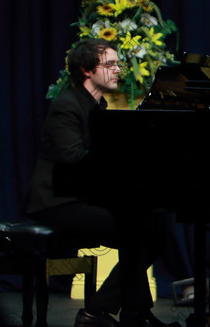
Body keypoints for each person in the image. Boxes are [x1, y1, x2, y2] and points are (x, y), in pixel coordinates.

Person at [24, 38, 178, 327]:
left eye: (117, 63)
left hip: (81, 195)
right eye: (109, 64)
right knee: (138, 229)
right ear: (86, 70)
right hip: (57, 201)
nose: (118, 69)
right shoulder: (67, 106)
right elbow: (73, 159)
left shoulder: (98, 105)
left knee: (152, 225)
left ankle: (134, 313)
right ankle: (99, 312)